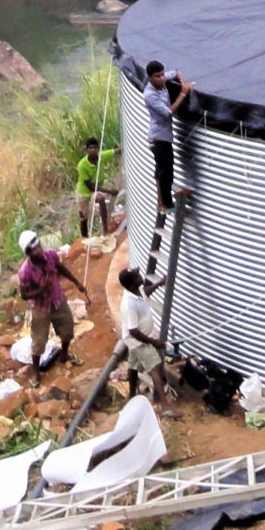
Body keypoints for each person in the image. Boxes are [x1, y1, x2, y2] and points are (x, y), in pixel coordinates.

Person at [16, 230, 84, 379]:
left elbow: (60, 268)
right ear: (28, 253)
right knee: (39, 341)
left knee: (67, 330)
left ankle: (65, 355)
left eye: (38, 246)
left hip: (58, 300)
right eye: (34, 250)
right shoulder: (25, 272)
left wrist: (76, 282)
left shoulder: (51, 255)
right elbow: (24, 294)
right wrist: (41, 289)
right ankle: (36, 373)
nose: (38, 250)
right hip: (40, 309)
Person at [143, 61, 194, 215]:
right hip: (159, 138)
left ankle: (161, 202)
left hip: (163, 137)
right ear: (150, 78)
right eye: (157, 76)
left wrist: (182, 81)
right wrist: (183, 93)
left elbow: (177, 72)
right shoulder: (150, 95)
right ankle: (166, 204)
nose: (161, 78)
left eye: (162, 74)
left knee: (161, 171)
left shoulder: (162, 80)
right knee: (166, 172)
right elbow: (168, 112)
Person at [117, 266, 173, 400]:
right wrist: (154, 342)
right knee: (155, 368)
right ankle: (165, 407)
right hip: (138, 341)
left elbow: (145, 293)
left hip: (137, 338)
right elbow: (134, 331)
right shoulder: (128, 304)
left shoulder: (136, 291)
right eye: (137, 277)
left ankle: (131, 395)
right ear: (131, 285)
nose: (140, 276)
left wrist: (159, 284)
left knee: (133, 365)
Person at [75, 137, 117, 237]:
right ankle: (84, 239)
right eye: (90, 148)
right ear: (86, 150)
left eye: (95, 147)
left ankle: (105, 231)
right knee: (83, 217)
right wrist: (110, 191)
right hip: (83, 192)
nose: (93, 150)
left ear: (98, 148)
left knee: (101, 199)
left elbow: (115, 151)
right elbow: (90, 187)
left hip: (95, 189)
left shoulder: (101, 156)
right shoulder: (82, 165)